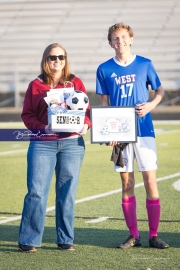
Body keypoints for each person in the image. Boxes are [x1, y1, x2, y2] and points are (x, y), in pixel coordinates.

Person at [96, 23, 169, 249]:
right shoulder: (104, 69)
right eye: (115, 39)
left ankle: (153, 235)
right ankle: (133, 235)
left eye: (123, 37)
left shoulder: (145, 64)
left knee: (150, 181)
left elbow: (159, 91)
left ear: (131, 39)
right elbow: (105, 104)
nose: (120, 42)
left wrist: (150, 105)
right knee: (127, 182)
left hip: (144, 129)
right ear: (110, 43)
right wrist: (109, 132)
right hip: (121, 133)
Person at [18, 43, 92, 252]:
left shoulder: (76, 82)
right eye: (52, 57)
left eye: (61, 57)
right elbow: (27, 115)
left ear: (65, 60)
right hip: (43, 143)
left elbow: (87, 111)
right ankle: (29, 239)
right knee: (37, 191)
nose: (57, 61)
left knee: (67, 192)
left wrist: (86, 124)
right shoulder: (36, 85)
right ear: (46, 60)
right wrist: (44, 127)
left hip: (72, 144)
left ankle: (65, 238)